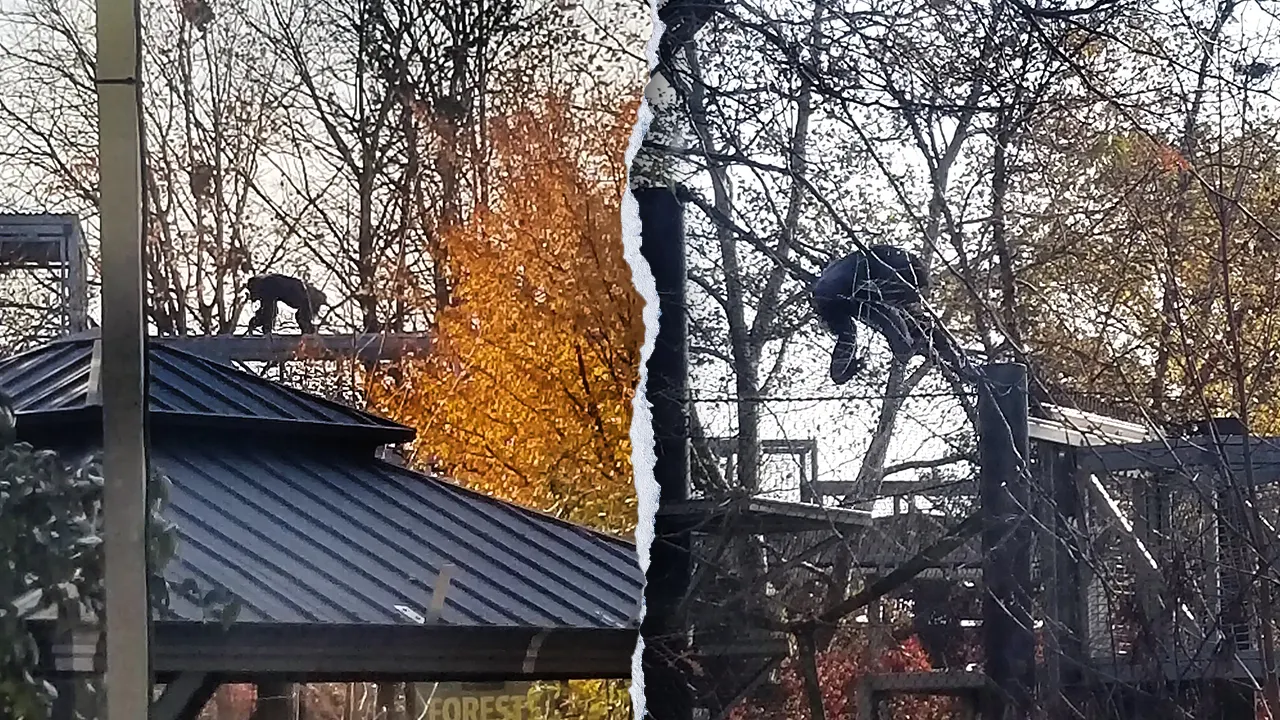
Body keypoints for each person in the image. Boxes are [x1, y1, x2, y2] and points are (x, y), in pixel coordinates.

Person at [811, 244, 932, 385]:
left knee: (851, 330)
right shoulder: (897, 273)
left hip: (830, 289)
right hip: (839, 291)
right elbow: (887, 313)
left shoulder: (887, 262)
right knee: (882, 316)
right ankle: (904, 349)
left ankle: (841, 372)